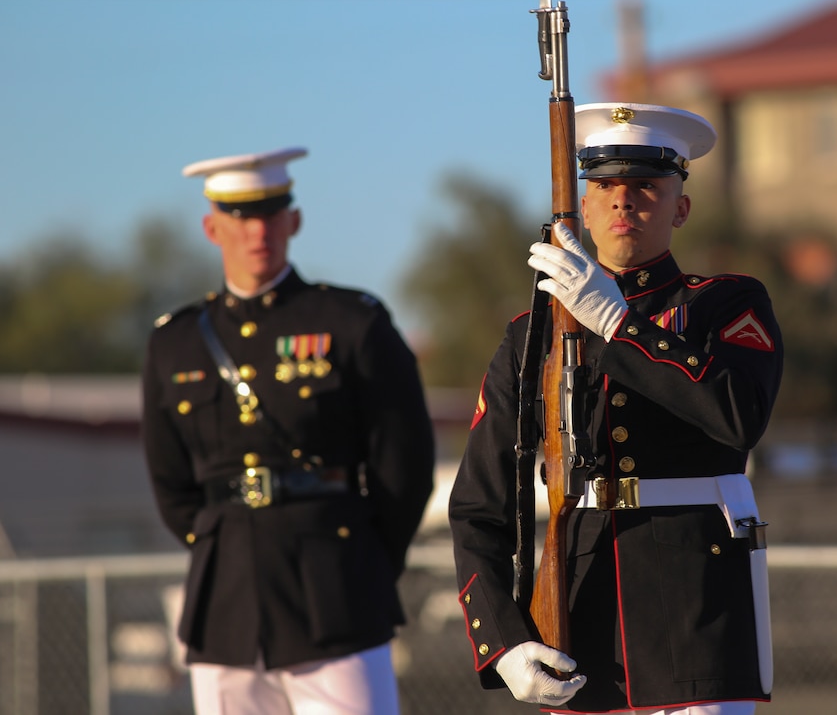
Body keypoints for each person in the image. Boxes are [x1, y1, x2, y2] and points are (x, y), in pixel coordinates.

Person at [448, 103, 784, 714]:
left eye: (645, 188)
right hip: (580, 619)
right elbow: (478, 506)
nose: (622, 203)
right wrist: (503, 643)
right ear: (579, 207)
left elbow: (738, 417)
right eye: (603, 187)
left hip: (698, 617)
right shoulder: (532, 335)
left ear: (681, 207)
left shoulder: (725, 304)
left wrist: (618, 325)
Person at [141, 146, 435, 715]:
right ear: (211, 227)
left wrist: (365, 559)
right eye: (240, 216)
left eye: (272, 213)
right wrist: (222, 546)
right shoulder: (172, 342)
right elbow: (170, 481)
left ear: (294, 221)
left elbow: (404, 463)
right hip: (224, 602)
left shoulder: (352, 323)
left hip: (337, 594)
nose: (258, 230)